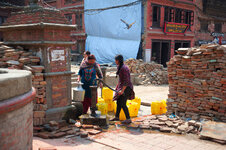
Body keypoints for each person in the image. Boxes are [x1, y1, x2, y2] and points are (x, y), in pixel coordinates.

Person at [111, 55, 135, 124]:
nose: (115, 61)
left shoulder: (124, 68)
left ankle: (128, 118)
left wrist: (122, 90)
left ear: (118, 60)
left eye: (115, 60)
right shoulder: (119, 66)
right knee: (118, 101)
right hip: (122, 86)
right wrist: (118, 87)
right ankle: (117, 117)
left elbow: (126, 81)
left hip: (127, 87)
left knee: (123, 103)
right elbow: (121, 79)